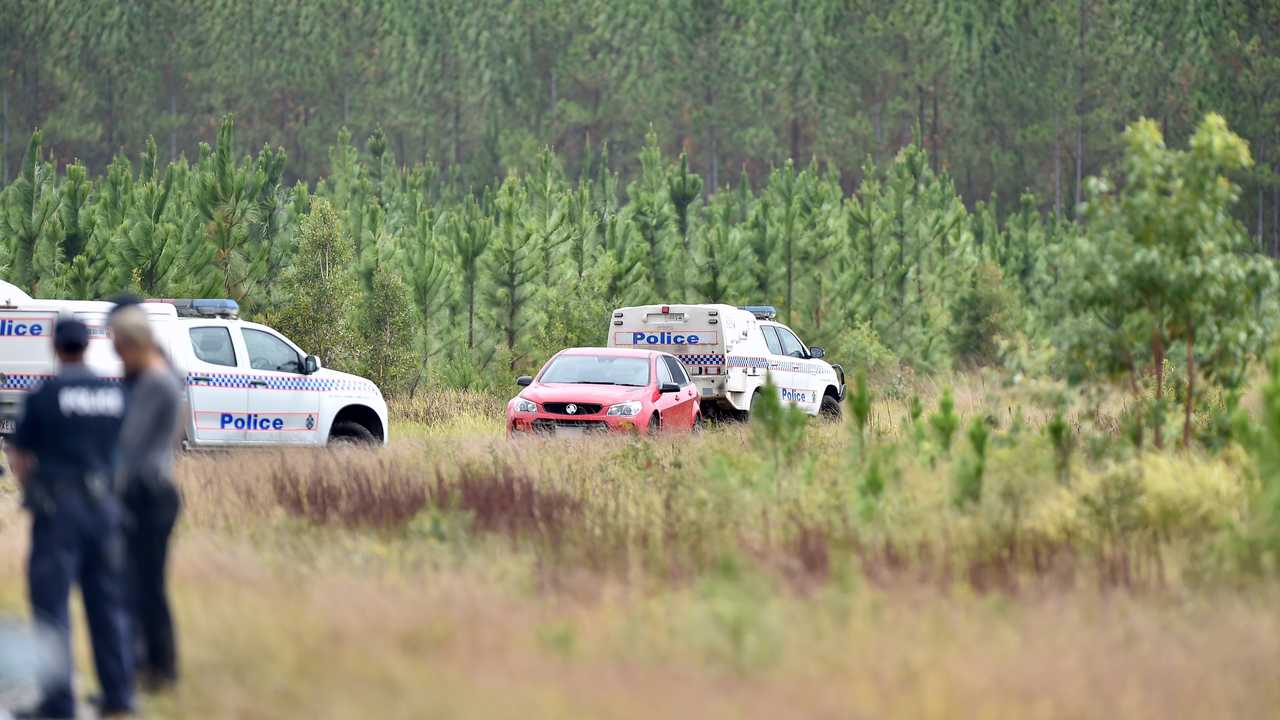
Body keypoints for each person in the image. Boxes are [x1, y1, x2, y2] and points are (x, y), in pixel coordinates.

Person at [8, 316, 136, 719]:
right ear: (87, 346)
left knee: (51, 607)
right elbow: (127, 449)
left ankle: (59, 703)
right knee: (108, 602)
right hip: (104, 509)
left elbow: (19, 455)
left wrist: (33, 491)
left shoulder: (45, 395)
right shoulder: (114, 395)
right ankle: (119, 694)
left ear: (56, 347)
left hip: (60, 511)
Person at [107, 302, 184, 691]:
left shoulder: (154, 382)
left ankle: (161, 667)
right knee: (139, 583)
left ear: (134, 342)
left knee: (147, 584)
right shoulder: (156, 375)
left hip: (149, 495)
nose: (117, 355)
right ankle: (144, 664)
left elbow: (128, 440)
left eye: (119, 346)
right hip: (145, 491)